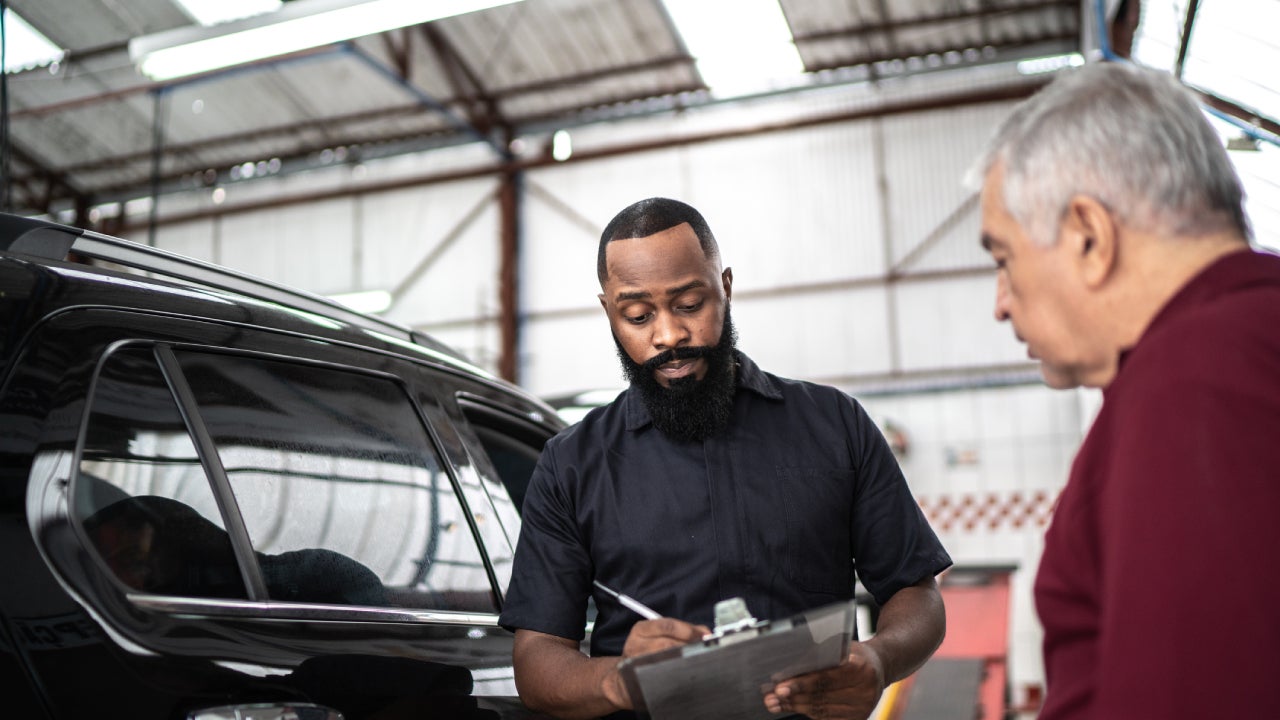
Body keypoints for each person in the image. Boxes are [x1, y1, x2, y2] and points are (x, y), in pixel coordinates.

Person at [499, 197, 951, 719]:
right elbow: (536, 662)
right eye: (638, 315)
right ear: (609, 312)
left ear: (726, 287)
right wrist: (619, 681)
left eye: (690, 304)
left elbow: (917, 593)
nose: (668, 335)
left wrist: (877, 658)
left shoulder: (835, 425)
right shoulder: (570, 465)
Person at [971, 61, 1280, 719]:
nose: (1000, 304)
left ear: (1089, 235)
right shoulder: (1244, 339)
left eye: (1003, 258)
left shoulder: (1193, 383)